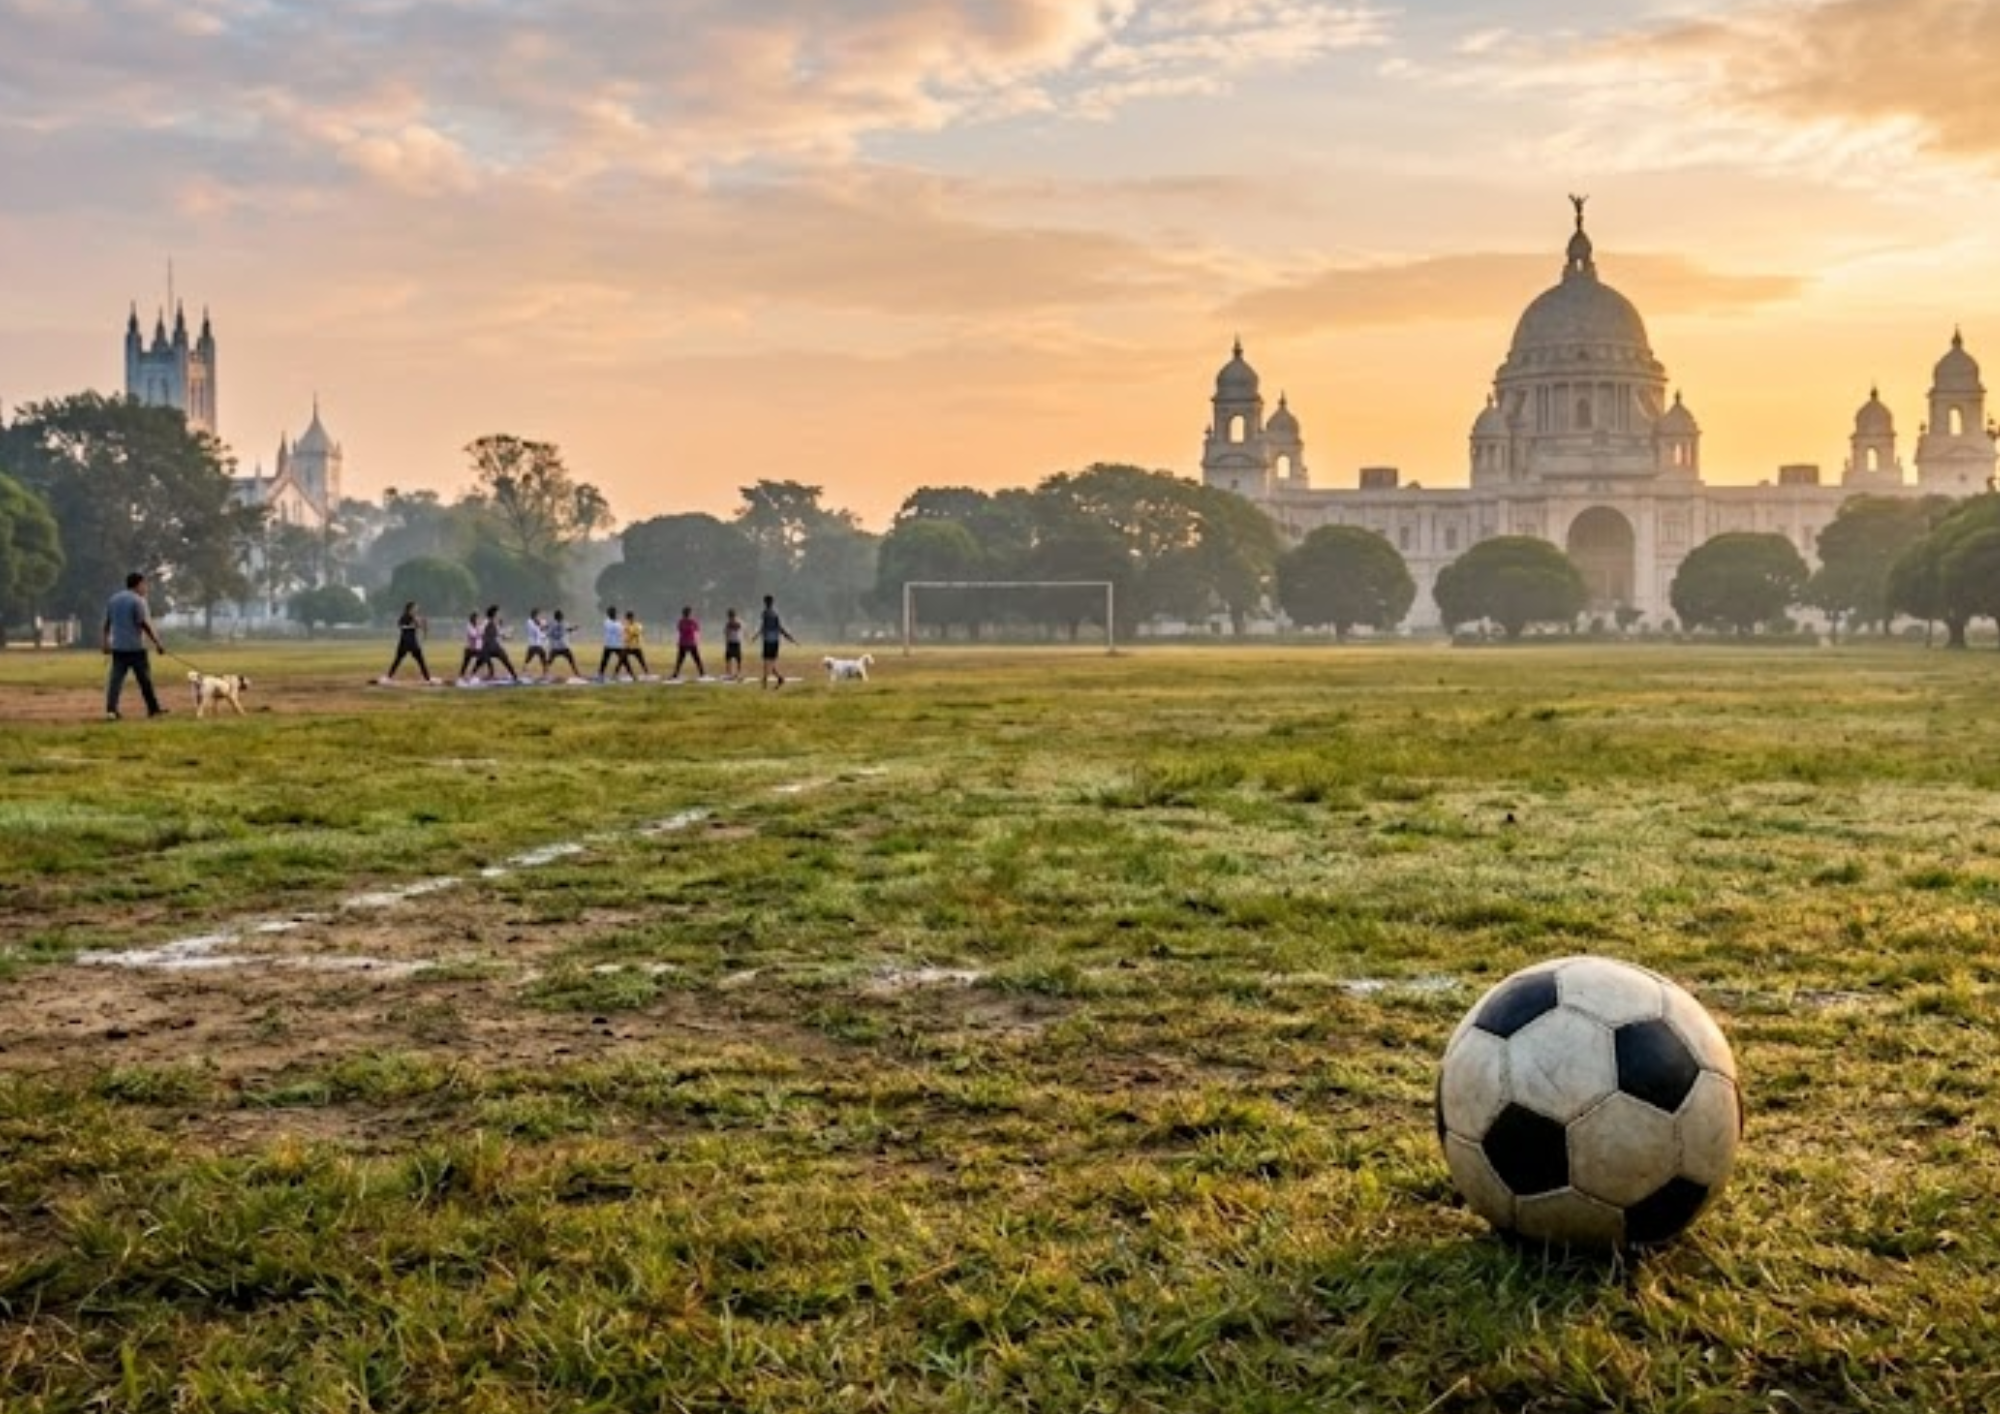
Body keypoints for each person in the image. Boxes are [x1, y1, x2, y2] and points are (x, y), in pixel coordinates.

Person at [102, 570, 166, 719]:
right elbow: (143, 623)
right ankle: (153, 709)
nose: (146, 588)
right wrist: (157, 643)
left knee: (115, 681)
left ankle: (111, 710)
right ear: (138, 584)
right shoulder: (138, 601)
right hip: (136, 648)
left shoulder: (113, 599)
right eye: (144, 584)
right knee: (145, 680)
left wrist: (105, 643)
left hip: (118, 647)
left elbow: (107, 624)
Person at [384, 601, 434, 683]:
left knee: (417, 660)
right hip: (408, 642)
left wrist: (424, 626)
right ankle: (427, 678)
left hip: (408, 642)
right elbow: (401, 625)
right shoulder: (405, 617)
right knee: (403, 660)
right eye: (415, 607)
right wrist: (414, 625)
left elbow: (419, 626)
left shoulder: (414, 617)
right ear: (410, 608)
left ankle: (427, 678)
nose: (417, 609)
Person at [759, 593, 799, 689]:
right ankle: (779, 679)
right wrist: (789, 637)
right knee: (770, 663)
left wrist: (761, 634)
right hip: (774, 640)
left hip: (768, 641)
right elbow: (780, 628)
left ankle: (765, 683)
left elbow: (764, 627)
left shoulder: (765, 613)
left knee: (767, 662)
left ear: (765, 602)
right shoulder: (775, 614)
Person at [476, 605, 522, 682]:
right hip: (488, 646)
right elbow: (480, 631)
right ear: (494, 613)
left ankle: (515, 677)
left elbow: (500, 634)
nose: (499, 614)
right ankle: (474, 676)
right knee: (482, 661)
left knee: (505, 659)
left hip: (493, 646)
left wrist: (508, 637)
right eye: (498, 613)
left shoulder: (494, 623)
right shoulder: (486, 621)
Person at [670, 605, 705, 680]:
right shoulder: (691, 621)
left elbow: (680, 630)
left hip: (685, 643)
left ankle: (676, 674)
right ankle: (702, 673)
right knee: (696, 659)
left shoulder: (683, 621)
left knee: (681, 660)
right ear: (689, 613)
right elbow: (697, 630)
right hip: (690, 643)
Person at [545, 609, 580, 679]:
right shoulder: (563, 623)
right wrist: (574, 628)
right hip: (563, 646)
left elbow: (549, 633)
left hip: (556, 647)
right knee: (571, 660)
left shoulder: (553, 624)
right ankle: (577, 674)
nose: (562, 617)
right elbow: (567, 629)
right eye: (561, 616)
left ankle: (544, 674)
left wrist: (573, 628)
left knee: (549, 661)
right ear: (560, 617)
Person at [597, 605, 625, 680]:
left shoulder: (615, 622)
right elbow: (618, 630)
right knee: (605, 661)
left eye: (613, 612)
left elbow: (620, 631)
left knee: (622, 659)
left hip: (614, 645)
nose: (613, 613)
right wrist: (620, 626)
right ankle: (601, 674)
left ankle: (612, 674)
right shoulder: (608, 622)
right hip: (612, 645)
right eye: (612, 612)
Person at [621, 608, 649, 678]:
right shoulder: (626, 625)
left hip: (636, 647)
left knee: (642, 661)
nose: (628, 619)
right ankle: (616, 673)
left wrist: (631, 634)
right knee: (621, 659)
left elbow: (637, 633)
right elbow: (626, 633)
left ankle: (647, 673)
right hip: (628, 646)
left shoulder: (637, 625)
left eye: (629, 618)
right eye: (628, 618)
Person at [523, 608, 550, 679]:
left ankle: (545, 673)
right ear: (534, 615)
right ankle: (545, 673)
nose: (539, 616)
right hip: (534, 644)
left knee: (531, 659)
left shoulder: (537, 621)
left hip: (537, 644)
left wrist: (544, 626)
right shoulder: (529, 622)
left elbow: (543, 628)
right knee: (531, 659)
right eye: (538, 615)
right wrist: (540, 625)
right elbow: (535, 630)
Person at [457, 611, 484, 680]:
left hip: (476, 648)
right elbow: (474, 635)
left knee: (483, 658)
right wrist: (480, 630)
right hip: (469, 649)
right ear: (473, 619)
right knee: (465, 663)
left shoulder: (479, 626)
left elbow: (481, 634)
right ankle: (461, 675)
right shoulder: (469, 626)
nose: (479, 620)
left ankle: (472, 673)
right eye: (477, 618)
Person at [722, 608, 744, 681]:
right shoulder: (737, 622)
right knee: (734, 658)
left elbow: (726, 633)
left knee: (733, 658)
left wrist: (727, 642)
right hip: (735, 642)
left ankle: (732, 673)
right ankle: (733, 673)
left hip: (733, 642)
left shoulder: (729, 623)